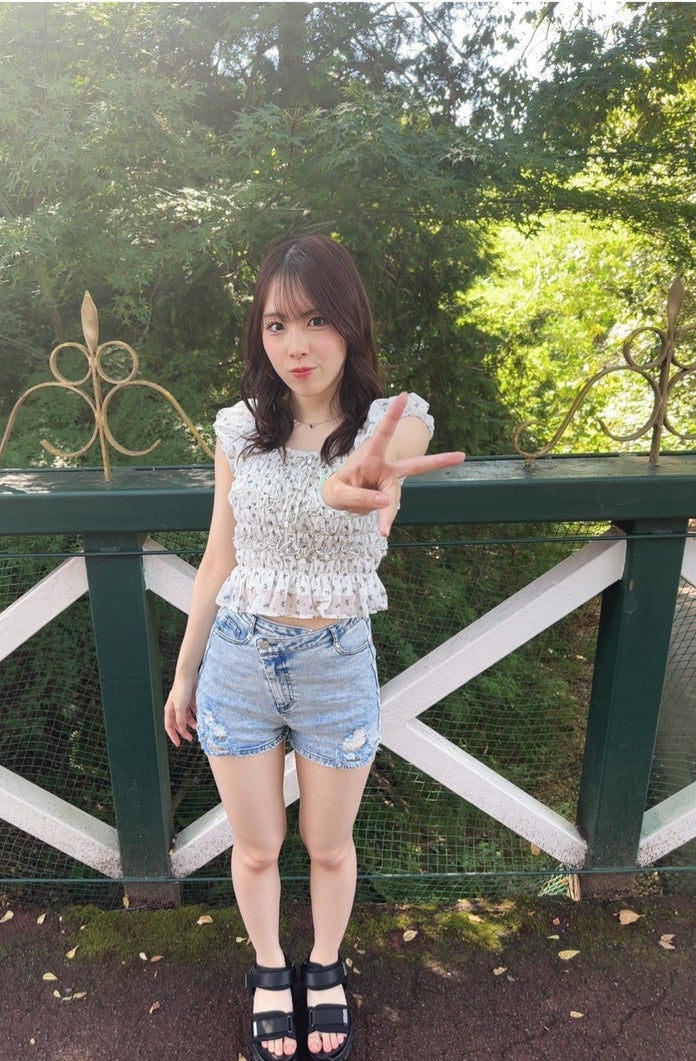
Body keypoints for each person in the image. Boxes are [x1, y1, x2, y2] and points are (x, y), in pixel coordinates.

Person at [164, 234, 465, 1061]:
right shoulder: (239, 431)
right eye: (277, 324)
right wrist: (185, 672)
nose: (296, 344)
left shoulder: (392, 421)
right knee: (257, 846)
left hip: (336, 664)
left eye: (316, 320)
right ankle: (270, 967)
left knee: (328, 845)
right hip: (237, 660)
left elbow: (373, 471)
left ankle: (325, 964)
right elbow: (218, 559)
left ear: (350, 322)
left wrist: (354, 484)